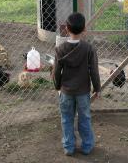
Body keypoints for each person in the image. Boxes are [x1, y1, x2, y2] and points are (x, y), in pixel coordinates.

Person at [53, 12, 101, 156]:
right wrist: (97, 88)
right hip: (83, 92)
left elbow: (56, 72)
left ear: (66, 29)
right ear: (84, 29)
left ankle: (69, 147)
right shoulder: (88, 49)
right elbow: (94, 70)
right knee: (84, 118)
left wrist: (57, 87)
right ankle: (86, 146)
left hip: (66, 91)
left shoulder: (60, 49)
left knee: (67, 118)